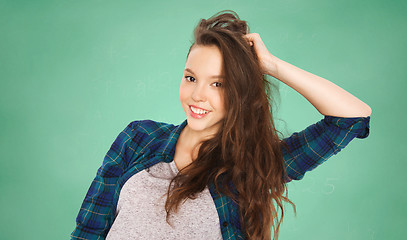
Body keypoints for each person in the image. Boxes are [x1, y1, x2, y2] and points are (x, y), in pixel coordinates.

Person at [71, 10, 371, 240]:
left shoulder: (253, 166)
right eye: (191, 78)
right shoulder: (138, 137)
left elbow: (351, 117)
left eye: (219, 83)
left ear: (240, 93)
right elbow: (88, 231)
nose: (197, 95)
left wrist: (270, 65)